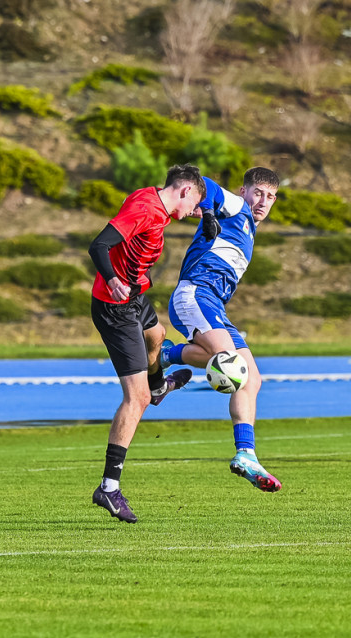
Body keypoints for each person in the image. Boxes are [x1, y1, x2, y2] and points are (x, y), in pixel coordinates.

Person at [88, 164, 204, 523]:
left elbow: (177, 206)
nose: (193, 212)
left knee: (157, 335)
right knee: (134, 398)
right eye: (194, 203)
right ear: (185, 190)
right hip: (116, 309)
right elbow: (99, 245)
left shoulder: (156, 199)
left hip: (136, 300)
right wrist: (112, 279)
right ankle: (109, 487)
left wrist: (201, 211)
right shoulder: (145, 209)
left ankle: (158, 387)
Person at [161, 167, 283, 493]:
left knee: (251, 378)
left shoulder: (249, 230)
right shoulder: (237, 208)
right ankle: (166, 357)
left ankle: (246, 455)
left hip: (215, 305)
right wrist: (208, 209)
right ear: (244, 191)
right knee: (230, 362)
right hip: (196, 294)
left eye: (270, 196)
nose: (263, 201)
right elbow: (206, 185)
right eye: (258, 193)